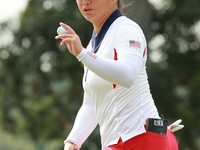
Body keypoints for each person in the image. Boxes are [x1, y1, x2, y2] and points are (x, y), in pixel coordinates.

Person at [55, 0, 183, 149]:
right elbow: (91, 103)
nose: (85, 1)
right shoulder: (91, 45)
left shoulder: (127, 29)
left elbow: (128, 75)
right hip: (122, 142)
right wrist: (73, 141)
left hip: (141, 138)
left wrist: (82, 54)